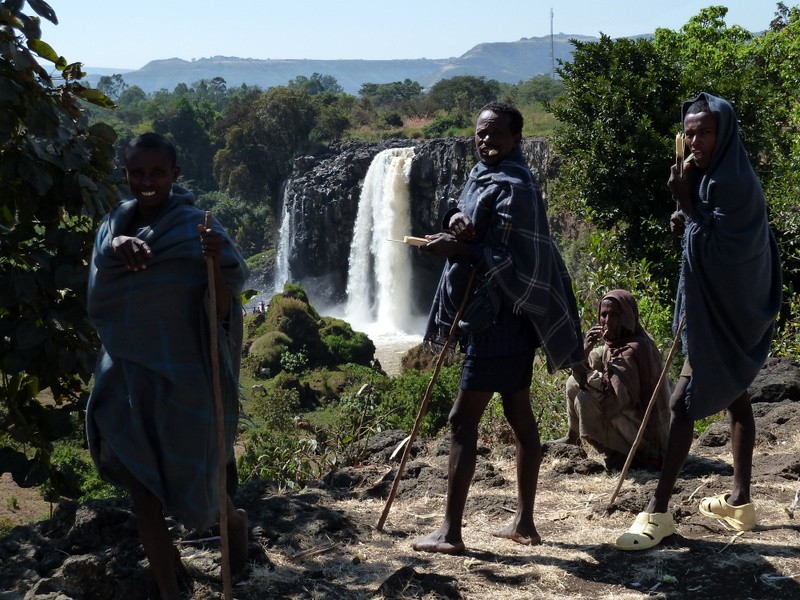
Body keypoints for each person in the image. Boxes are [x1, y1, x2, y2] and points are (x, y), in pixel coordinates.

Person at [411, 101, 583, 554]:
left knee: (461, 421)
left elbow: (512, 261)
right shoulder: (481, 176)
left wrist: (459, 251)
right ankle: (524, 524)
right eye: (481, 133)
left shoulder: (518, 189)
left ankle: (450, 533)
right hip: (502, 323)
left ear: (516, 140)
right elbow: (457, 208)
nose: (486, 140)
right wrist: (455, 222)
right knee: (521, 421)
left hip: (499, 322)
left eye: (496, 134)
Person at [85, 133, 251, 598]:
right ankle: (169, 591)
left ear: (175, 176)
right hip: (126, 377)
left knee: (202, 485)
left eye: (157, 172)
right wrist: (115, 246)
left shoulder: (197, 229)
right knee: (143, 494)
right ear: (125, 174)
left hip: (186, 380)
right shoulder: (110, 228)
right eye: (137, 172)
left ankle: (234, 526)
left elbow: (220, 310)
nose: (147, 181)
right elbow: (99, 297)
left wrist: (214, 263)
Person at [615, 93, 782, 551]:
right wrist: (686, 214)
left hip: (727, 314)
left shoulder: (733, 183)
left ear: (723, 133)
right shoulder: (707, 177)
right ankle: (741, 502)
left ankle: (659, 512)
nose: (694, 140)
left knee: (681, 405)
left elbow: (727, 253)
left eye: (704, 132)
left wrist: (686, 205)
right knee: (737, 397)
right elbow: (703, 233)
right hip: (711, 310)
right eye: (688, 132)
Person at [557, 289, 671, 471]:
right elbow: (591, 362)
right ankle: (573, 437)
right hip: (633, 423)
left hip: (648, 438)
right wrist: (584, 351)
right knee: (572, 382)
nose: (607, 321)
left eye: (615, 315)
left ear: (627, 317)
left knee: (585, 398)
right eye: (603, 315)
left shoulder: (634, 349)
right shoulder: (617, 343)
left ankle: (622, 455)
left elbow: (611, 398)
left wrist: (580, 365)